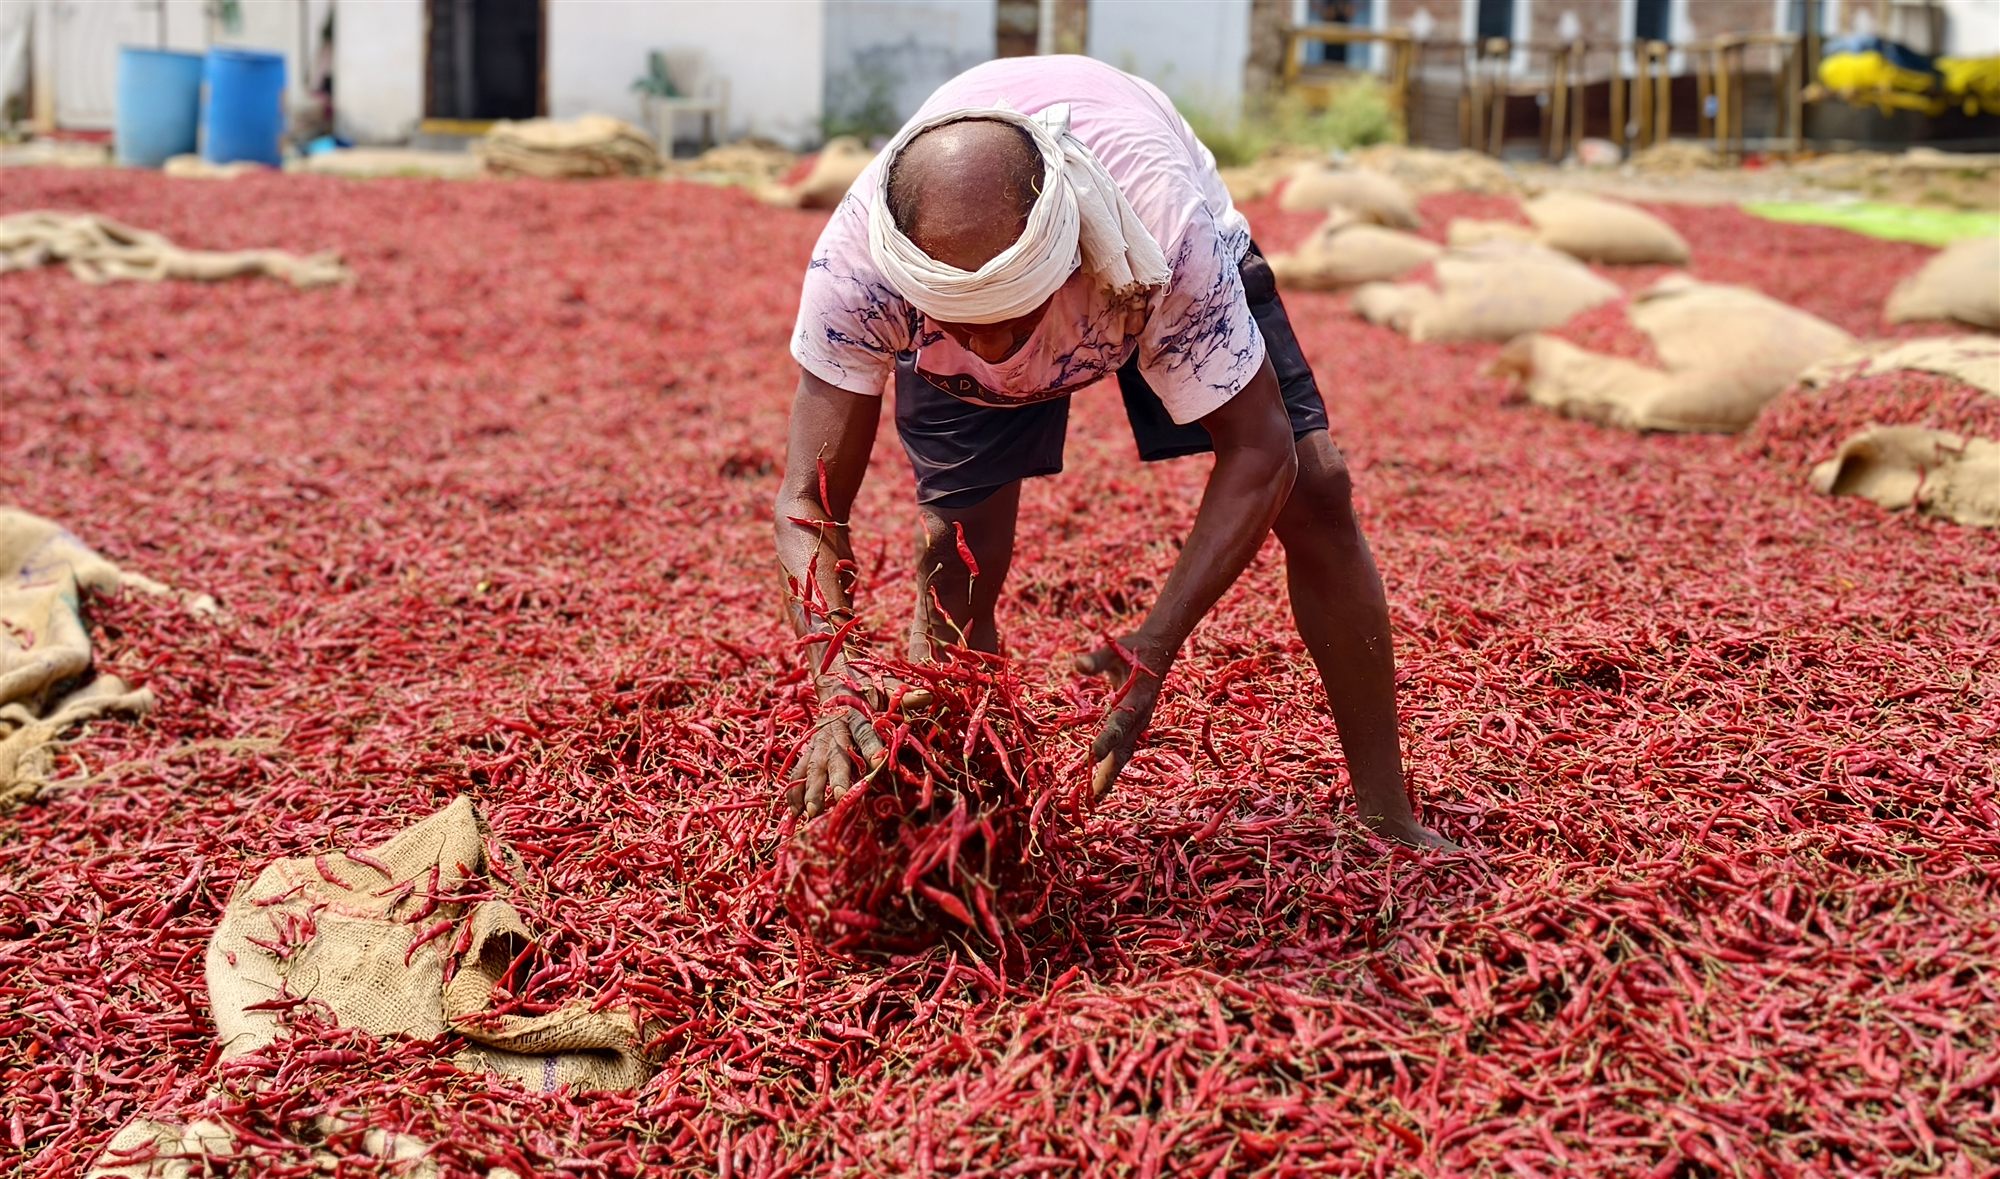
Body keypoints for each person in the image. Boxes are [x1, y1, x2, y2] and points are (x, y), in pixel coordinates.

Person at [773, 56, 1450, 848]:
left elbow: (1262, 446)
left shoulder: (1165, 229)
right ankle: (965, 829)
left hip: (1128, 271)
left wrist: (1156, 642)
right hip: (971, 306)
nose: (992, 349)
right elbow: (807, 499)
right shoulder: (859, 270)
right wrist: (836, 680)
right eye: (965, 324)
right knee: (954, 558)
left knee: (1318, 491)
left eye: (1011, 317)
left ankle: (1387, 813)